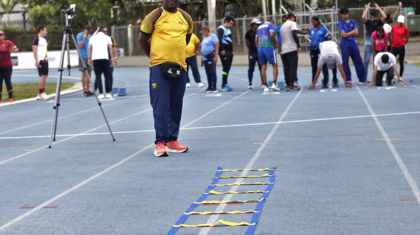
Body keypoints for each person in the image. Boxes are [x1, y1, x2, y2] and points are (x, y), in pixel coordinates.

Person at [138, 0, 192, 157]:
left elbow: (186, 39)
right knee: (161, 106)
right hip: (159, 67)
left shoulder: (186, 17)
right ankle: (160, 142)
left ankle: (172, 141)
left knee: (176, 105)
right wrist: (155, 58)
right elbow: (142, 40)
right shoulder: (153, 16)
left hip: (180, 67)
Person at [308, 16, 338, 88]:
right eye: (312, 22)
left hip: (321, 49)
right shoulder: (311, 30)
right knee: (314, 65)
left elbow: (326, 39)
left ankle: (326, 79)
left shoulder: (323, 29)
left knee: (324, 65)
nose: (313, 23)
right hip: (313, 49)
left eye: (314, 22)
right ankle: (314, 81)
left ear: (318, 21)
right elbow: (310, 38)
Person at [338, 7, 365, 84]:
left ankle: (362, 78)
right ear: (341, 14)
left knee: (358, 60)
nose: (346, 16)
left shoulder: (352, 21)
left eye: (347, 14)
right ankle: (348, 79)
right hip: (345, 43)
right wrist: (352, 32)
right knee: (345, 61)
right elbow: (343, 35)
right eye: (344, 14)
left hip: (353, 42)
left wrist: (348, 34)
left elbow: (356, 33)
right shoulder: (340, 23)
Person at [87, 25, 114, 98]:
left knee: (98, 76)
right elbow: (110, 47)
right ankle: (108, 92)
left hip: (96, 59)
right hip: (105, 58)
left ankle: (101, 93)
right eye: (105, 31)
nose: (106, 32)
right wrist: (112, 57)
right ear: (103, 31)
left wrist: (89, 58)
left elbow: (88, 48)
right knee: (107, 76)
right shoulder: (107, 37)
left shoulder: (93, 37)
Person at [362, 3, 386, 82]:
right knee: (366, 61)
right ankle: (364, 78)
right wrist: (367, 8)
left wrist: (379, 8)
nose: (376, 16)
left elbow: (385, 16)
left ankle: (376, 78)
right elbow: (363, 17)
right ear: (371, 16)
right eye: (375, 15)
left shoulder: (379, 22)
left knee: (376, 61)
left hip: (376, 45)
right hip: (368, 44)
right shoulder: (368, 22)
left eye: (377, 15)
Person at [255, 19, 279, 92]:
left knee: (263, 66)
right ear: (272, 22)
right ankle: (274, 84)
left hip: (260, 48)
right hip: (268, 47)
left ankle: (265, 86)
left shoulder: (259, 27)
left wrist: (258, 48)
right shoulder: (270, 25)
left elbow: (256, 40)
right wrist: (275, 43)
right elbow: (272, 34)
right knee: (274, 65)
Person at [280, 13, 301, 91]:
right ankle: (291, 85)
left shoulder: (283, 26)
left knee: (287, 67)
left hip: (284, 48)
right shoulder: (292, 23)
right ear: (292, 17)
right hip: (291, 48)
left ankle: (288, 83)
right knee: (293, 66)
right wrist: (298, 45)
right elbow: (294, 34)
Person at [0, 30, 18, 103]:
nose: (0, 37)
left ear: (4, 36)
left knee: (8, 81)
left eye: (1, 35)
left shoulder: (8, 42)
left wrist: (14, 50)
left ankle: (10, 97)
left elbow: (16, 49)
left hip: (7, 66)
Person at [32, 25, 50, 100]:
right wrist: (36, 60)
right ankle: (40, 93)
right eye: (45, 30)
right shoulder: (36, 39)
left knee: (45, 76)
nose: (46, 32)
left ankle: (42, 92)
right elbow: (34, 49)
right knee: (43, 76)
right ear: (41, 30)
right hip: (41, 60)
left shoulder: (44, 39)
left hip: (45, 59)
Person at [217, 16, 234, 91]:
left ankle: (225, 83)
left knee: (228, 68)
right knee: (225, 67)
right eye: (230, 24)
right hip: (224, 51)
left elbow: (230, 40)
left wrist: (232, 50)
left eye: (232, 24)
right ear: (226, 22)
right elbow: (219, 39)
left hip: (229, 51)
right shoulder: (221, 29)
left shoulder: (228, 30)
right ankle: (223, 85)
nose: (231, 25)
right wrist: (222, 49)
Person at [200, 26, 219, 93]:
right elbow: (203, 47)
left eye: (203, 32)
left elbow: (217, 46)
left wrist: (216, 57)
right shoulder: (205, 38)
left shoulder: (213, 36)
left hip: (211, 57)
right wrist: (202, 57)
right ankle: (209, 86)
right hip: (205, 57)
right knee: (208, 72)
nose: (202, 33)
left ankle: (214, 87)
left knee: (212, 72)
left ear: (206, 31)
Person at [390, 15, 409, 81]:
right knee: (391, 61)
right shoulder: (393, 28)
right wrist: (393, 43)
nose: (400, 23)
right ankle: (391, 75)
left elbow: (407, 38)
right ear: (397, 21)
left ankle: (400, 76)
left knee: (401, 62)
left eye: (402, 22)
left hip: (401, 47)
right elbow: (392, 36)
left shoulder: (405, 28)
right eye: (399, 22)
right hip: (394, 47)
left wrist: (403, 43)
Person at [245, 18, 262, 89]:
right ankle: (250, 83)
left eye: (258, 24)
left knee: (262, 68)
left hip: (260, 52)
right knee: (251, 68)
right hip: (252, 53)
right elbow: (246, 42)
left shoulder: (260, 32)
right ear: (252, 25)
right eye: (256, 25)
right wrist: (250, 48)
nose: (257, 26)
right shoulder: (248, 33)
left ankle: (263, 82)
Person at [77, 25, 93, 97]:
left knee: (89, 73)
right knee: (84, 73)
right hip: (82, 56)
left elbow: (91, 47)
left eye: (90, 31)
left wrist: (92, 57)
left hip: (89, 56)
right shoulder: (79, 35)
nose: (89, 32)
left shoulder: (90, 36)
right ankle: (84, 90)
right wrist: (84, 38)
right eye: (88, 31)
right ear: (84, 29)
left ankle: (87, 90)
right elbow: (80, 45)